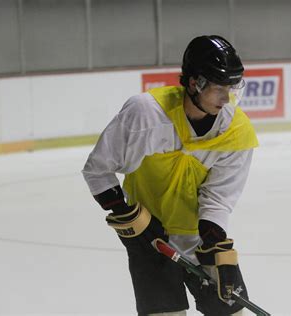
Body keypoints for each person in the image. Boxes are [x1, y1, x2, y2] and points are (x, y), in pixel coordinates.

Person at [82, 35, 257, 315]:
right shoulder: (146, 114)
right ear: (194, 83)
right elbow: (98, 169)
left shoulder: (236, 131)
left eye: (232, 87)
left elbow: (218, 198)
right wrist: (127, 216)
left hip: (199, 241)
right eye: (219, 88)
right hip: (150, 239)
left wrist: (215, 246)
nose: (227, 99)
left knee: (231, 311)